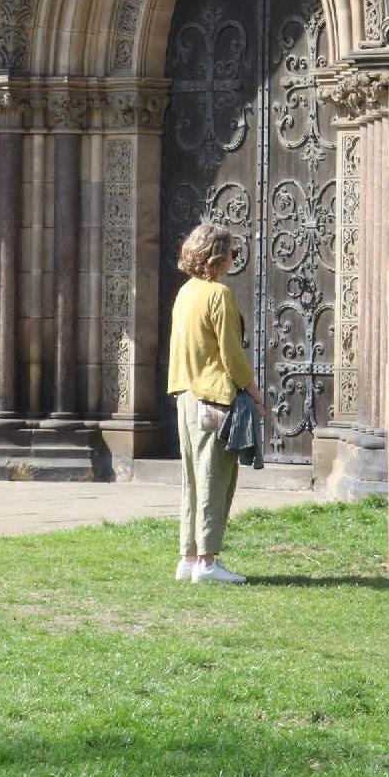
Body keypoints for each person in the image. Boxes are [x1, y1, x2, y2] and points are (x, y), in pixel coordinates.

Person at [167, 221, 264, 584]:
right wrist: (254, 392)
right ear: (218, 257)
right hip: (214, 397)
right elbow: (232, 355)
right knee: (215, 477)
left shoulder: (185, 293)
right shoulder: (218, 295)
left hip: (185, 395)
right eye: (232, 252)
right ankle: (207, 563)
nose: (234, 259)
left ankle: (188, 557)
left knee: (192, 478)